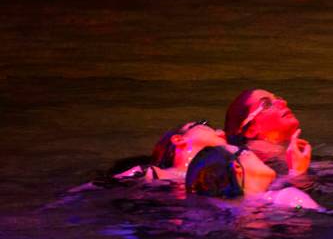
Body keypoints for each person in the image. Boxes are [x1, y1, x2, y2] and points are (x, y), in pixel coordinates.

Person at [185, 145, 321, 210]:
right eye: (243, 150)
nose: (251, 152)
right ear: (236, 167)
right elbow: (323, 215)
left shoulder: (223, 207)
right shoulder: (289, 198)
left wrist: (296, 173)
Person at [224, 89, 311, 175]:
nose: (283, 102)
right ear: (251, 130)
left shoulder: (289, 156)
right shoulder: (252, 168)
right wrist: (298, 173)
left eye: (278, 99)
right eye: (266, 104)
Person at [115, 120, 229, 182]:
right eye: (203, 124)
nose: (219, 130)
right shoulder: (149, 174)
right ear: (178, 139)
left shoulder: (221, 180)